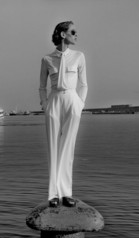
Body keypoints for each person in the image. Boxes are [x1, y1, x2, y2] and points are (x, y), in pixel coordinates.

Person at [38, 21, 88, 207]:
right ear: (62, 34)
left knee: (68, 148)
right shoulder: (47, 59)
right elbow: (42, 86)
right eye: (73, 32)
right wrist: (45, 105)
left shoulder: (79, 56)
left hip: (72, 101)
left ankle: (66, 193)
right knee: (53, 148)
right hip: (54, 101)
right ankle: (53, 194)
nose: (76, 35)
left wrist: (80, 104)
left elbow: (84, 84)